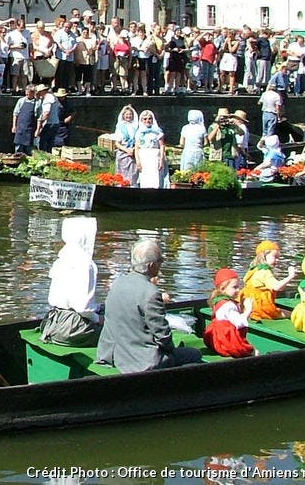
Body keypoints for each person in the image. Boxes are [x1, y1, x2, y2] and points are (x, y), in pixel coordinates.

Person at [95, 239, 202, 374]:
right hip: (141, 361)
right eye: (160, 261)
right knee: (194, 354)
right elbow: (162, 336)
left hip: (113, 354)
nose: (161, 265)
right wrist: (171, 350)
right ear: (152, 265)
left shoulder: (117, 283)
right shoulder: (151, 293)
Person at [39, 217, 102, 347]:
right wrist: (99, 319)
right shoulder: (86, 264)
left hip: (52, 322)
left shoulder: (61, 258)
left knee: (103, 308)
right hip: (71, 328)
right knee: (116, 330)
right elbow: (82, 308)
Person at [202, 268, 255, 358]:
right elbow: (239, 322)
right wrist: (248, 310)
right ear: (223, 289)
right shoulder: (228, 305)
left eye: (238, 286)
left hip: (217, 340)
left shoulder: (218, 301)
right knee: (254, 352)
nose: (238, 290)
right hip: (228, 342)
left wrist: (241, 307)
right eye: (235, 287)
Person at [240, 240, 296, 320]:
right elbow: (276, 287)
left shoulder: (254, 269)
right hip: (261, 308)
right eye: (275, 256)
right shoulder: (265, 272)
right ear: (264, 256)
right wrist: (290, 276)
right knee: (292, 314)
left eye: (278, 257)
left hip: (248, 304)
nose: (277, 260)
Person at [134, 110, 167, 189]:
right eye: (145, 119)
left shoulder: (157, 131)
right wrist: (138, 161)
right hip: (143, 157)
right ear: (141, 120)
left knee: (155, 179)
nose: (147, 121)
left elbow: (162, 146)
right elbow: (137, 148)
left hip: (154, 156)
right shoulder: (139, 132)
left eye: (149, 118)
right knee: (144, 180)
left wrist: (161, 159)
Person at [113, 105, 139, 186]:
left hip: (133, 152)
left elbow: (139, 141)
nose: (128, 116)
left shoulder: (136, 126)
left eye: (130, 114)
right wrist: (126, 150)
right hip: (123, 152)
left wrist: (133, 149)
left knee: (133, 174)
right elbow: (117, 143)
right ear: (123, 115)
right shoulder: (120, 127)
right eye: (127, 114)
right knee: (122, 175)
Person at [11, 85, 38, 154]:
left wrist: (38, 129)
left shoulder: (37, 103)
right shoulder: (21, 101)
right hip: (20, 128)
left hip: (29, 129)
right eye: (26, 92)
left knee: (29, 149)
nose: (26, 94)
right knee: (18, 148)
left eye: (28, 93)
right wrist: (14, 126)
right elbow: (15, 114)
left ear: (33, 93)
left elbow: (38, 118)